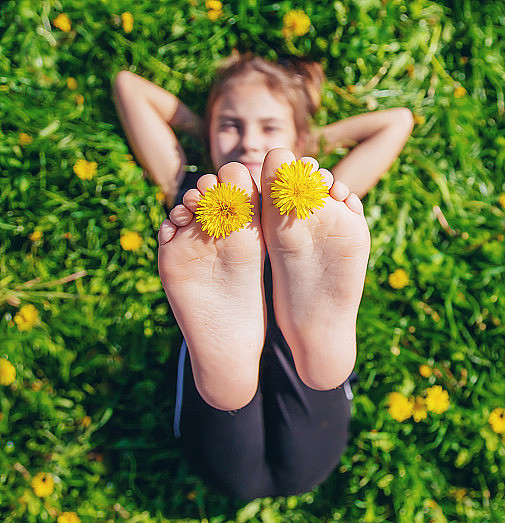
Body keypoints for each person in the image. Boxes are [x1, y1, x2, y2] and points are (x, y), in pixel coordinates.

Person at [112, 51, 413, 499]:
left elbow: (397, 122)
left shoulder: (315, 204)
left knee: (279, 385)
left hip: (294, 218)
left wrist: (302, 147)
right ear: (210, 133)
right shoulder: (196, 198)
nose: (249, 141)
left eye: (269, 127)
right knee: (292, 406)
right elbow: (127, 86)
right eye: (230, 124)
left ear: (298, 136)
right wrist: (225, 132)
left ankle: (265, 366)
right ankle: (234, 372)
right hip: (307, 428)